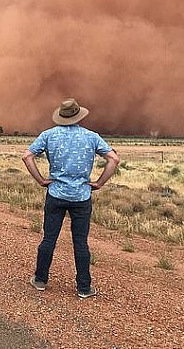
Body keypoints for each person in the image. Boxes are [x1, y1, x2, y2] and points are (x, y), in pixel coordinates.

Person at [22, 98, 120, 298]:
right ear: (78, 115)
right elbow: (114, 159)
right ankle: (84, 288)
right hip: (81, 197)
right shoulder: (91, 137)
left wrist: (41, 180)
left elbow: (27, 156)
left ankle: (40, 280)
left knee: (49, 239)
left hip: (56, 194)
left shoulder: (48, 135)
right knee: (80, 242)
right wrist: (99, 182)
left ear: (61, 115)